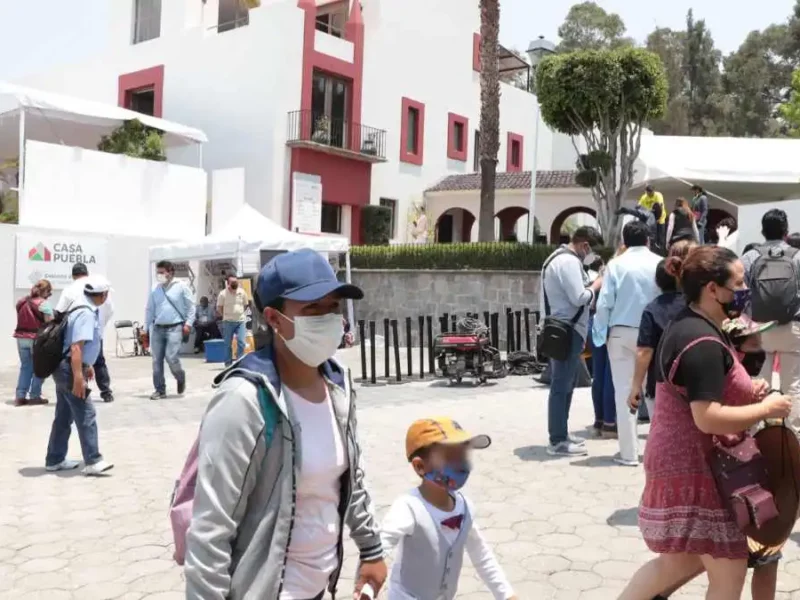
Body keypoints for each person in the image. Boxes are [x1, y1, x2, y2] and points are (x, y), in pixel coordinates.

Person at [184, 248, 387, 600]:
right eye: (312, 309)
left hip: (319, 588)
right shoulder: (244, 400)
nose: (328, 319)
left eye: (333, 307)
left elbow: (351, 480)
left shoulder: (338, 384)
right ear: (274, 320)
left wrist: (370, 549)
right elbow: (209, 532)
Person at [619, 245, 793, 600]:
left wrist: (748, 391)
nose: (744, 293)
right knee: (728, 570)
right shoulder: (699, 339)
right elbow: (707, 416)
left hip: (687, 460)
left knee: (679, 563)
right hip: (696, 467)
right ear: (712, 288)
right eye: (739, 284)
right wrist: (767, 408)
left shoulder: (694, 325)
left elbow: (710, 392)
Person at [650, 315, 784, 600]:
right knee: (729, 564)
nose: (759, 346)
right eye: (752, 340)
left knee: (687, 561)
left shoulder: (713, 352)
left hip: (733, 478)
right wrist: (764, 408)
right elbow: (711, 417)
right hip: (725, 479)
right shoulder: (708, 352)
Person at [380, 417, 517, 600]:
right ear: (420, 466)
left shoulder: (465, 507)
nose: (461, 464)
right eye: (450, 457)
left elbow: (480, 553)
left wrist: (505, 594)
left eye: (462, 456)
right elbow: (379, 546)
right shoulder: (408, 507)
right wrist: (367, 582)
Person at [592, 221, 661, 466]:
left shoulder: (615, 264)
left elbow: (604, 302)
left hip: (621, 331)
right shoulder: (658, 263)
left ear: (624, 241)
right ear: (648, 240)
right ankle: (659, 450)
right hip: (652, 334)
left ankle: (629, 453)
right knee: (653, 392)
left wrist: (599, 334)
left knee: (624, 392)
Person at [540, 226, 605, 457]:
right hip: (567, 330)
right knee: (561, 385)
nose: (592, 257)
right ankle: (557, 440)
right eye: (592, 252)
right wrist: (597, 283)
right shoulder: (568, 262)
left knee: (566, 384)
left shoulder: (557, 258)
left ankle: (562, 434)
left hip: (563, 329)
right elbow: (579, 297)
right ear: (584, 245)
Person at [45, 275, 114, 476]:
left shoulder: (78, 307)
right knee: (86, 414)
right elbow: (76, 348)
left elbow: (77, 347)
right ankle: (93, 460)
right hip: (69, 370)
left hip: (65, 367)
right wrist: (78, 377)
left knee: (64, 416)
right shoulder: (86, 314)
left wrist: (87, 365)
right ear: (102, 295)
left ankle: (54, 459)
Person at [628, 241, 697, 421]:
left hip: (660, 383)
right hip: (693, 380)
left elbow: (644, 351)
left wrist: (636, 386)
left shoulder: (652, 309)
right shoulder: (695, 305)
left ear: (657, 282)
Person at [740, 209, 800, 399]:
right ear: (786, 232)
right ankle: (794, 429)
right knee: (793, 385)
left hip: (759, 330)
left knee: (759, 381)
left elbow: (740, 295)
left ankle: (758, 425)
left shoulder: (750, 257)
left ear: (763, 231)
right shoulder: (797, 256)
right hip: (792, 328)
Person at [56, 262, 116, 402]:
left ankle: (81, 387)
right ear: (87, 273)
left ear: (73, 275)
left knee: (84, 361)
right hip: (94, 332)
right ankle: (106, 391)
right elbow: (110, 310)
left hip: (76, 334)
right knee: (98, 362)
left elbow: (59, 312)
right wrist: (99, 325)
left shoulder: (70, 290)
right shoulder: (99, 289)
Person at [145, 260, 195, 400]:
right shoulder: (155, 288)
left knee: (171, 357)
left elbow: (191, 306)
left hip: (175, 327)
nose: (159, 275)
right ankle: (160, 390)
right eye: (158, 272)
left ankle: (180, 376)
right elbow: (149, 309)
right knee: (156, 360)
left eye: (162, 272)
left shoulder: (181, 286)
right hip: (158, 328)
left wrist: (188, 324)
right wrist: (145, 328)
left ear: (170, 272)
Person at [13, 279, 54, 406]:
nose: (50, 294)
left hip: (21, 338)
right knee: (39, 367)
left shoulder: (21, 301)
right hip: (36, 339)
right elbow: (49, 323)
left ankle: (20, 396)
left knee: (25, 367)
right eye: (49, 292)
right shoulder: (44, 304)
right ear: (45, 291)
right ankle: (35, 396)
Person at [216, 274, 249, 366]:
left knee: (242, 343)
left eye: (236, 281)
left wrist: (240, 313)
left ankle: (239, 363)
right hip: (228, 322)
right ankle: (228, 364)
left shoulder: (242, 292)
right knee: (227, 345)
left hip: (240, 321)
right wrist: (225, 316)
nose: (235, 283)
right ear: (228, 283)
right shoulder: (223, 294)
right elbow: (219, 308)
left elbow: (246, 305)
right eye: (233, 282)